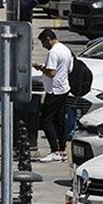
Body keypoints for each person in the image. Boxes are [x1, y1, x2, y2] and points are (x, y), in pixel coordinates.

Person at [33, 28, 73, 163]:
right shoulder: (65, 49)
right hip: (64, 88)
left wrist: (40, 68)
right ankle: (62, 150)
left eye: (44, 43)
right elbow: (69, 69)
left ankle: (55, 150)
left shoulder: (53, 52)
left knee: (46, 120)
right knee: (60, 120)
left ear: (48, 39)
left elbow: (51, 73)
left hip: (54, 90)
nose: (44, 46)